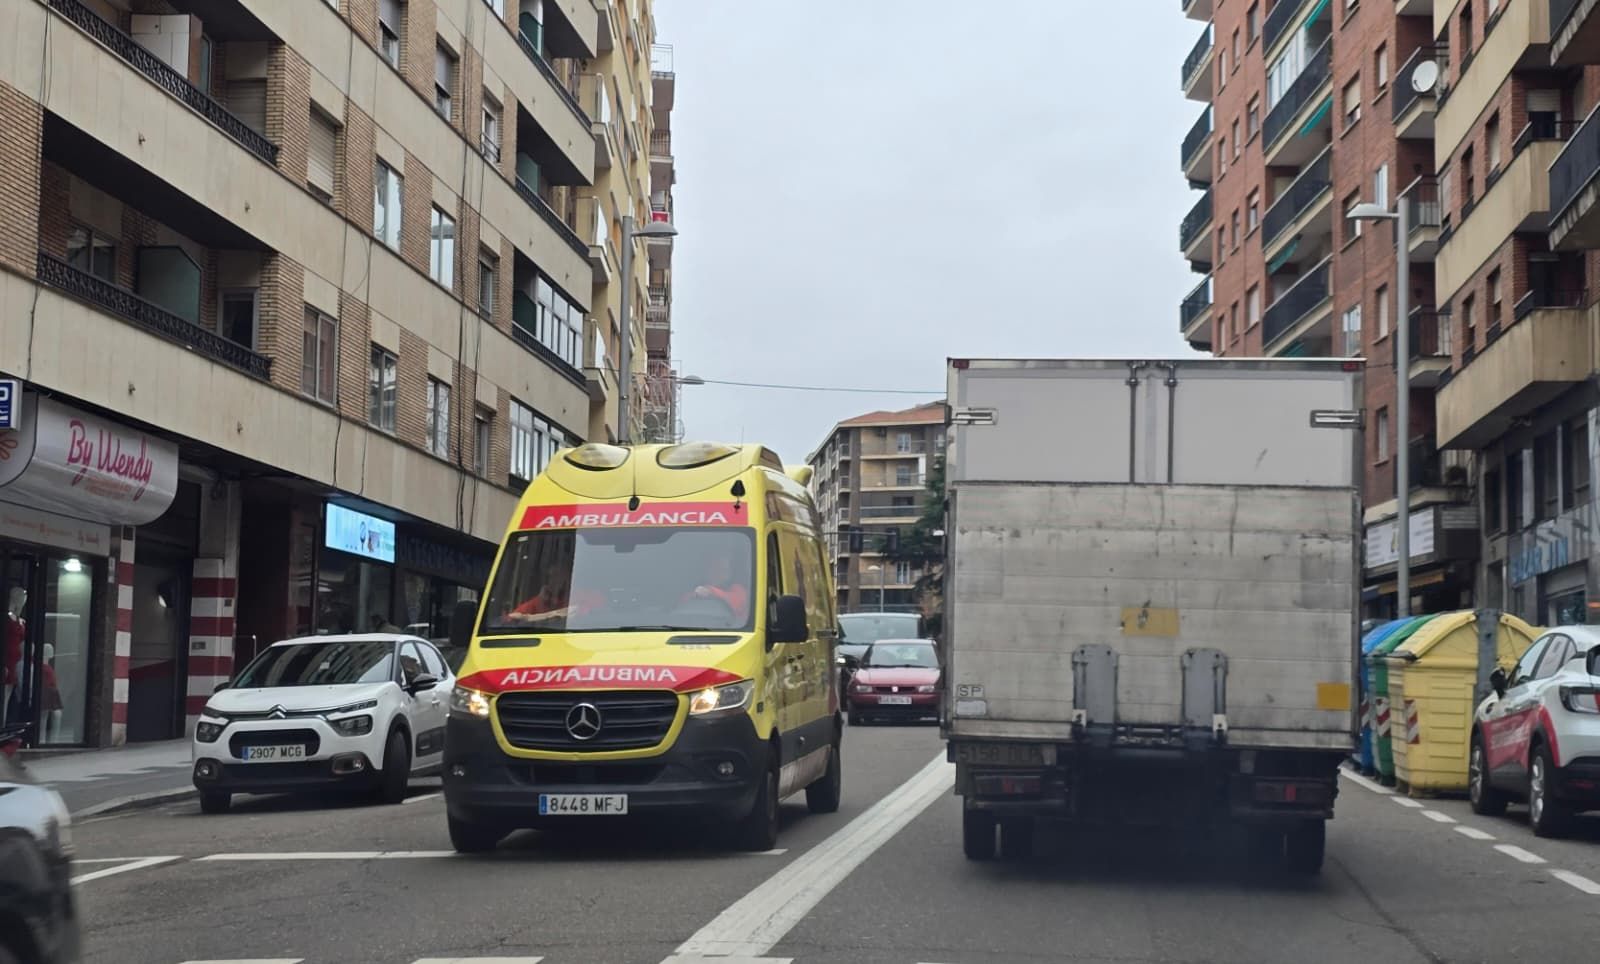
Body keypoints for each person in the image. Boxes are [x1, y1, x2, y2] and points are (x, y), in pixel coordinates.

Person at [684, 555, 750, 624]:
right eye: (716, 569)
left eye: (724, 569)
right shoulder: (695, 591)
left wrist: (711, 591)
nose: (722, 573)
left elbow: (737, 602)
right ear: (707, 571)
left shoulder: (738, 590)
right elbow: (684, 606)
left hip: (732, 630)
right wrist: (697, 595)